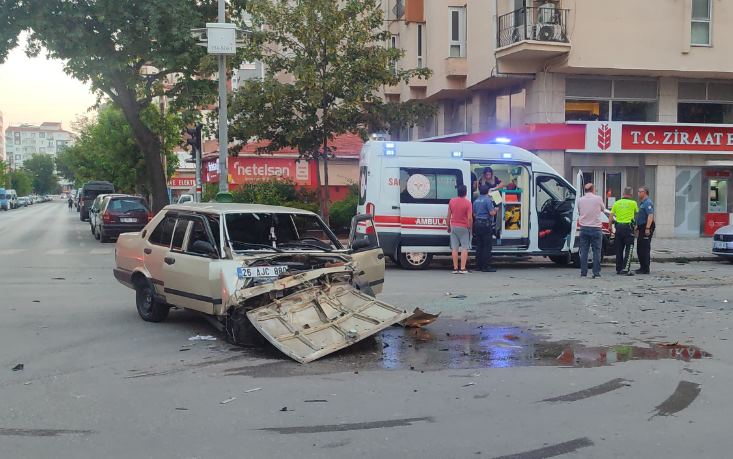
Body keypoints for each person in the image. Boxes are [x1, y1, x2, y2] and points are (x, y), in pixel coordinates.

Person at [577, 183, 609, 278]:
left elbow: (579, 211)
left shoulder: (580, 200)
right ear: (593, 189)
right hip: (596, 228)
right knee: (597, 251)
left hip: (584, 228)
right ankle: (596, 273)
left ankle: (583, 273)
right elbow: (603, 209)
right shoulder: (598, 199)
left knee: (584, 251)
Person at [610, 187, 638, 275]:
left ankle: (618, 269)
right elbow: (636, 214)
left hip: (618, 228)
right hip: (628, 228)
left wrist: (610, 227)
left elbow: (611, 216)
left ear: (623, 194)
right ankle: (626, 268)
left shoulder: (616, 203)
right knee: (629, 249)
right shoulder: (633, 203)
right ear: (631, 194)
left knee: (619, 249)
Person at [447, 184, 473, 274]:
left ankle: (455, 268)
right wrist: (470, 227)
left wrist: (448, 226)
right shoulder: (468, 203)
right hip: (464, 227)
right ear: (465, 193)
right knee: (464, 248)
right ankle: (462, 268)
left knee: (454, 248)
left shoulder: (452, 201)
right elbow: (469, 218)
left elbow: (448, 216)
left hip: (453, 226)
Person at [473, 185, 498, 272]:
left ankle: (478, 266)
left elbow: (474, 214)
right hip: (486, 225)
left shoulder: (476, 201)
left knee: (479, 246)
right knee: (487, 246)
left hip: (477, 224)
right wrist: (496, 210)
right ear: (488, 191)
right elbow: (491, 213)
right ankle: (486, 267)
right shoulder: (488, 200)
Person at [635, 186, 655, 274]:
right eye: (638, 191)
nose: (638, 193)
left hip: (646, 227)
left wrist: (647, 228)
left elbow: (650, 215)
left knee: (644, 248)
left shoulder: (648, 203)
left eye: (640, 191)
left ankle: (645, 268)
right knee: (640, 247)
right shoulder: (642, 203)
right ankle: (642, 267)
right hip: (641, 227)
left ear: (645, 192)